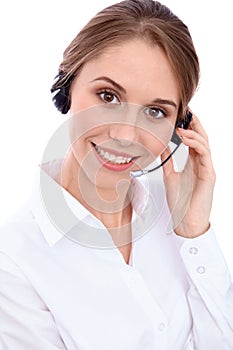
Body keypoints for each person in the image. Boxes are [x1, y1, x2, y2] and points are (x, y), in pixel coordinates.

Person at [0, 0, 232, 349]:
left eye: (155, 111)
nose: (125, 136)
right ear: (68, 87)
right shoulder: (14, 259)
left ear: (178, 126)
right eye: (108, 96)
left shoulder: (174, 216)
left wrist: (194, 232)